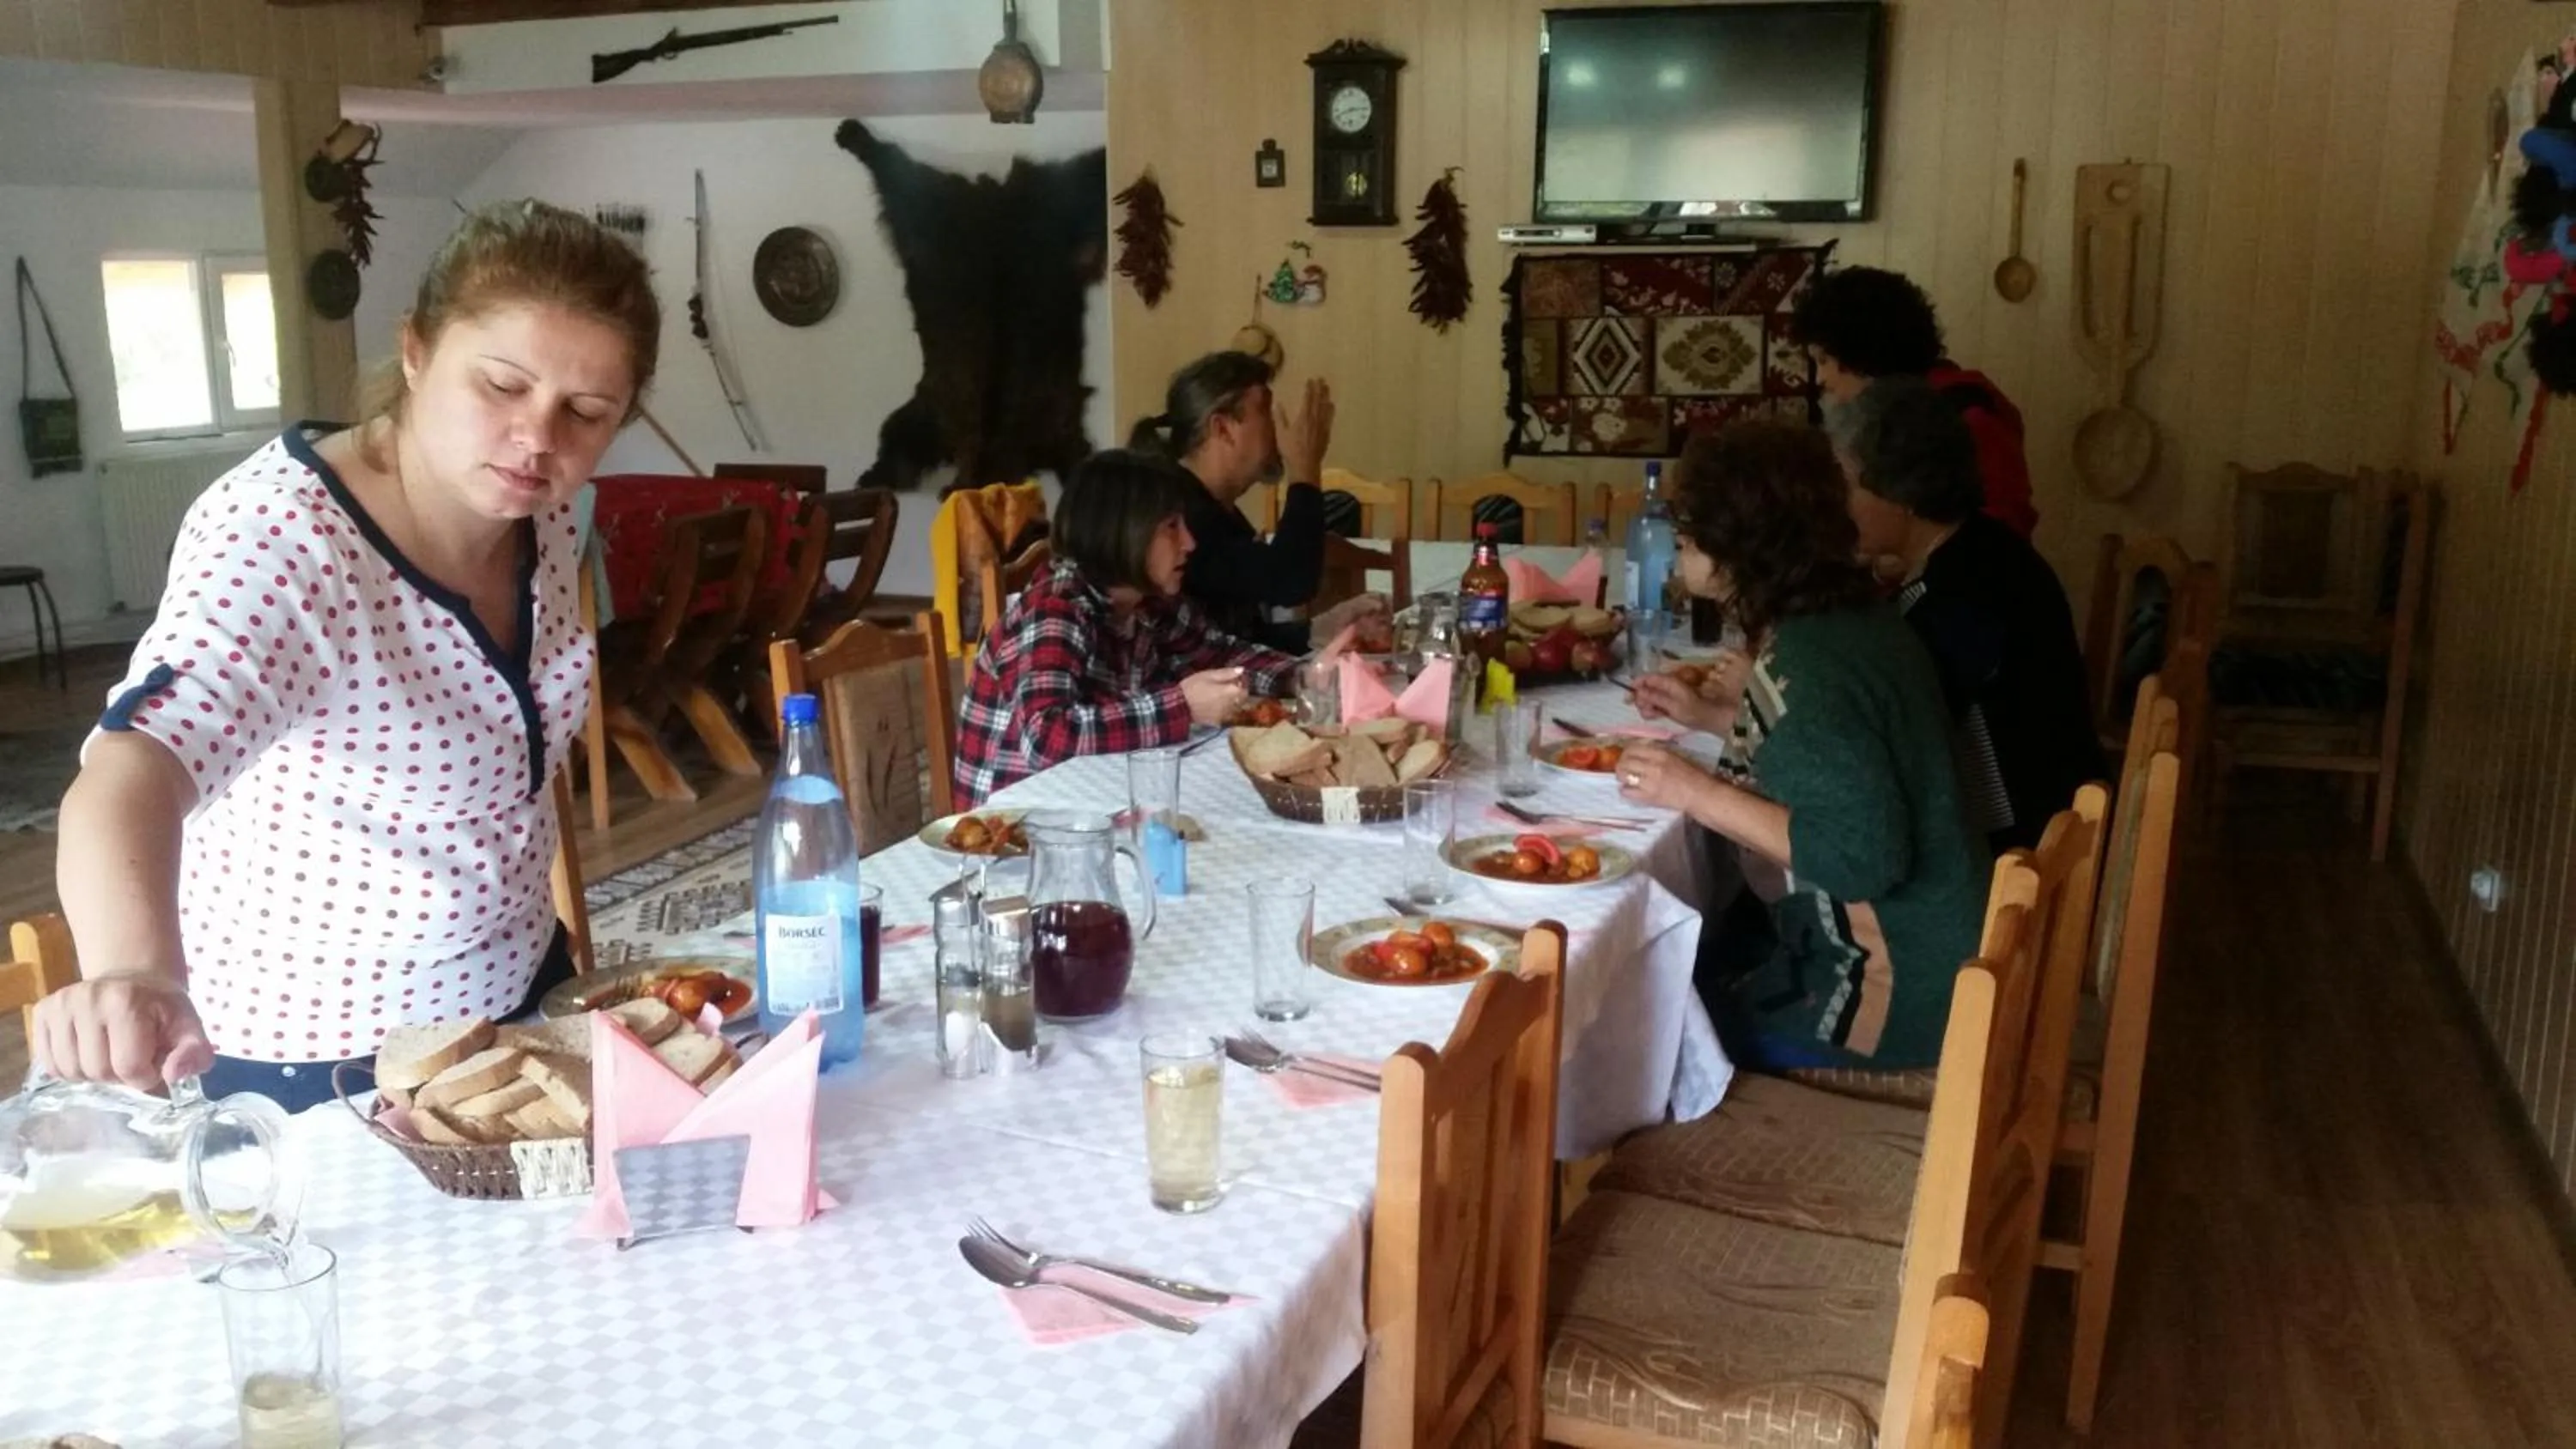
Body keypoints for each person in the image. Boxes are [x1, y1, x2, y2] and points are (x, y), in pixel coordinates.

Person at [33, 201, 656, 1108]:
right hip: (327, 1063)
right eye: (501, 386)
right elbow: (135, 768)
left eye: (587, 412)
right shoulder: (286, 540)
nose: (539, 437)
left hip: (519, 997)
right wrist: (134, 971)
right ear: (415, 352)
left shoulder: (543, 513)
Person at [1619, 423, 1986, 1073]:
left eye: (1691, 531)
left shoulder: (1809, 665)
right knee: (1694, 961)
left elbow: (1859, 860)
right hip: (1948, 950)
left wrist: (1693, 792)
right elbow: (1839, 759)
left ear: (1738, 545)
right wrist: (1714, 718)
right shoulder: (1852, 623)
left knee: (1650, 1026)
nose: (1679, 539)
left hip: (1898, 998)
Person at [953, 449, 1353, 807]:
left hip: (1094, 800)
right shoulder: (1056, 608)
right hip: (1017, 828)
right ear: (1124, 534)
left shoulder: (1147, 601)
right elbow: (1047, 737)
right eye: (1172, 527)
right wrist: (1183, 707)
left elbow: (1220, 654)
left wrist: (1305, 677)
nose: (1190, 543)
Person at [1829, 377, 2104, 855]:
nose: (1838, 504)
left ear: (1902, 493)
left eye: (1848, 485)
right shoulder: (1981, 547)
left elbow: (1883, 742)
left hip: (2016, 851)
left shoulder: (1959, 597)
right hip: (2039, 817)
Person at [1128, 351, 1386, 652]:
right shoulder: (1181, 513)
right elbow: (1292, 581)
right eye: (1264, 410)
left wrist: (1319, 630)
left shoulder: (1217, 509)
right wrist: (1304, 469)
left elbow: (1240, 636)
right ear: (1223, 428)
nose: (1278, 427)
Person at [1788, 265, 2038, 539]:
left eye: (1824, 360)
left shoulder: (1965, 413)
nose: (1821, 378)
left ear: (1860, 350)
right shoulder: (1885, 413)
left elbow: (2003, 527)